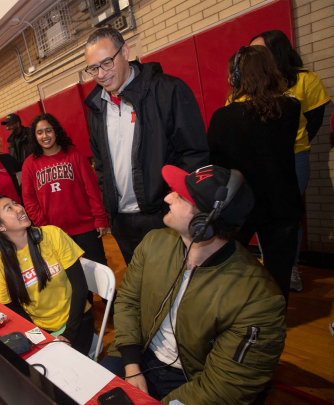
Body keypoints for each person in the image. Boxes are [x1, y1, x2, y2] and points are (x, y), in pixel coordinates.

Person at [100, 164, 286, 404]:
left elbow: (224, 388)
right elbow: (128, 300)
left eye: (180, 196)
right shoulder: (154, 243)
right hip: (137, 353)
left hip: (192, 380)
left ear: (203, 223)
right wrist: (132, 364)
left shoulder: (258, 299)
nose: (168, 196)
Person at [84, 27, 209, 265]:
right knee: (142, 287)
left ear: (126, 51)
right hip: (122, 221)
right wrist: (110, 205)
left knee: (176, 281)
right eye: (93, 68)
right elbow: (100, 164)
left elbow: (194, 153)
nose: (101, 74)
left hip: (164, 216)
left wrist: (180, 204)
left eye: (107, 62)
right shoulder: (96, 108)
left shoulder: (167, 90)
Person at [208, 45, 302, 302]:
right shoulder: (291, 109)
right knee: (279, 274)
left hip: (240, 207)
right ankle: (275, 321)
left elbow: (215, 164)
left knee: (230, 268)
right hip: (282, 203)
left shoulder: (222, 118)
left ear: (236, 77)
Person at [250, 30, 332, 292]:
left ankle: (291, 267)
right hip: (259, 160)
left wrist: (293, 144)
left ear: (278, 52)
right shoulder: (251, 84)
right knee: (263, 216)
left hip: (294, 158)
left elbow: (315, 119)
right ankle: (268, 263)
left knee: (288, 218)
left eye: (259, 51)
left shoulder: (306, 80)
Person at [0, 195, 94, 355]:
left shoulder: (53, 234)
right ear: (0, 227)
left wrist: (68, 334)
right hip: (41, 328)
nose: (19, 208)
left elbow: (80, 287)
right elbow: (13, 307)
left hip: (77, 320)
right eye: (9, 208)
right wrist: (37, 333)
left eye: (15, 203)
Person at [22, 113, 109, 265]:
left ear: (56, 131)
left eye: (48, 130)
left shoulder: (75, 155)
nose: (45, 136)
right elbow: (29, 200)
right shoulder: (30, 164)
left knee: (99, 272)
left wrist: (100, 218)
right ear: (35, 136)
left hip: (86, 227)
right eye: (39, 132)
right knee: (76, 282)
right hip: (55, 233)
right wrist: (45, 227)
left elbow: (92, 189)